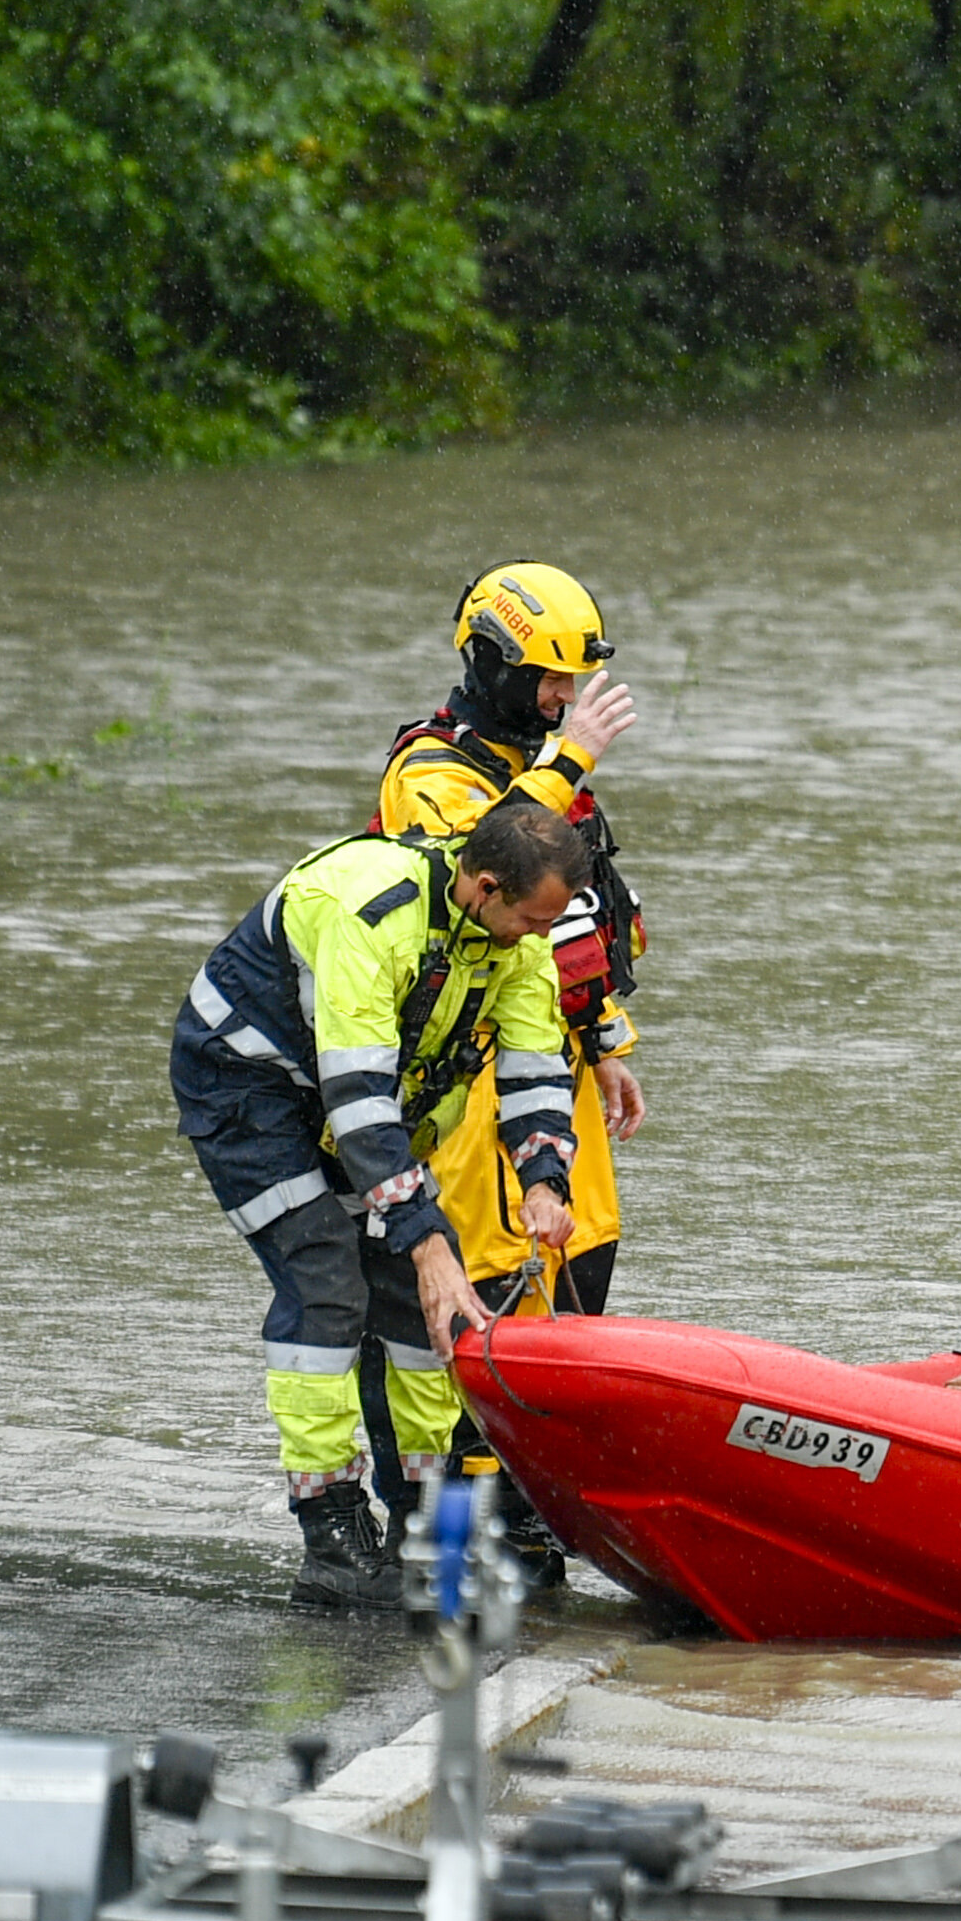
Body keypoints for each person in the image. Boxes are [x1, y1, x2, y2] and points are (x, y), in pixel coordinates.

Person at [170, 799, 588, 1600]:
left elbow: (533, 1070)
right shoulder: (371, 913)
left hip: (368, 1103)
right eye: (533, 921)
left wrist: (542, 1180)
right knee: (328, 1281)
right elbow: (355, 1094)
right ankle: (329, 1527)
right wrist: (425, 1238)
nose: (542, 938)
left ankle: (420, 1518)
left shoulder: (517, 938)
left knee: (418, 1299)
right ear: (486, 886)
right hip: (249, 1090)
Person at [378, 562, 649, 1319]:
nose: (564, 698)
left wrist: (603, 1042)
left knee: (581, 1264)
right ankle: (459, 1441)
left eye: (571, 680)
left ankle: (549, 1438)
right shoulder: (430, 770)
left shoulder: (534, 765)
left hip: (555, 1060)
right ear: (493, 662)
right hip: (475, 1066)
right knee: (499, 1277)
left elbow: (566, 920)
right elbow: (490, 865)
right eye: (549, 679)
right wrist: (571, 762)